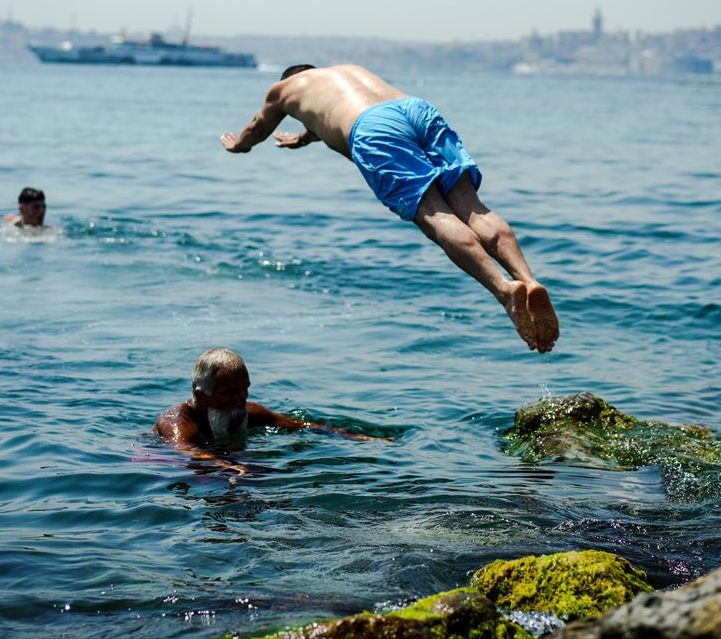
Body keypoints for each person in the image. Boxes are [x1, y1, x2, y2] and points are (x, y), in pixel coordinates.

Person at [220, 64, 559, 353]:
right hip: (416, 111)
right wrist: (306, 136)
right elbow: (334, 112)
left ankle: (505, 291)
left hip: (374, 129)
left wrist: (239, 145)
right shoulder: (346, 71)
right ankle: (527, 279)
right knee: (472, 208)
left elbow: (257, 128)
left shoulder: (282, 89)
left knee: (436, 216)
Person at [153, 348, 383, 455]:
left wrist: (355, 437)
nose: (242, 399)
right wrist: (228, 467)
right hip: (162, 463)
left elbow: (298, 426)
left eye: (245, 390)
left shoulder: (246, 411)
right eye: (231, 392)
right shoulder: (177, 423)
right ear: (202, 396)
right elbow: (188, 452)